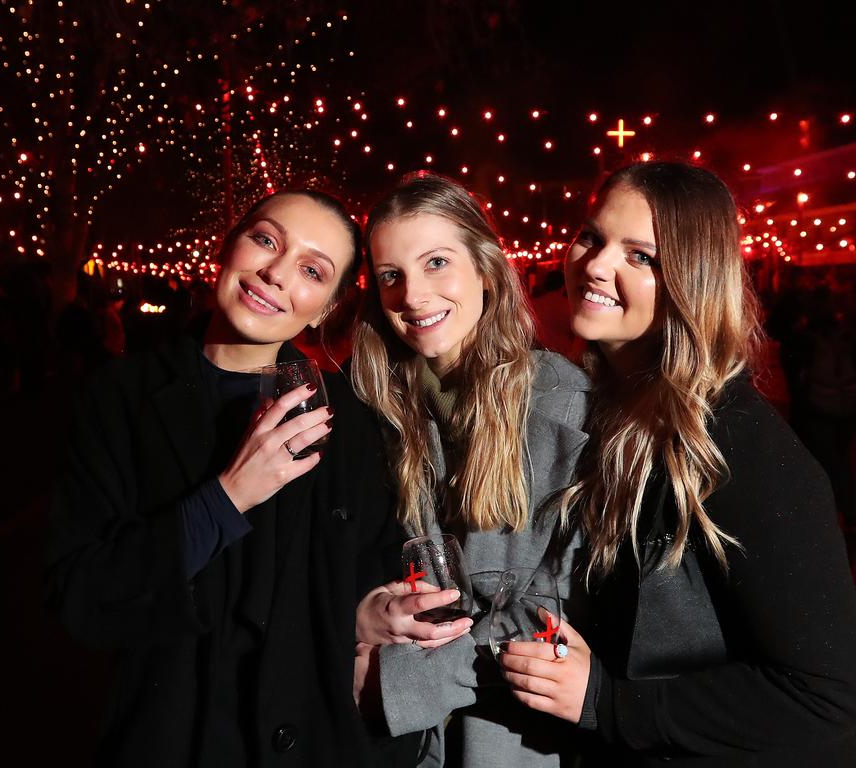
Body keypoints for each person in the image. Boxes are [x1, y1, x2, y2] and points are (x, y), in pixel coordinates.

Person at [48, 189, 420, 767]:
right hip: (171, 737)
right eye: (266, 240)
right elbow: (81, 596)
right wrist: (227, 498)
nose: (274, 273)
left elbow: (359, 580)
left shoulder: (352, 424)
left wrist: (374, 610)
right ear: (229, 247)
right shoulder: (119, 400)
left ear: (325, 306)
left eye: (311, 270)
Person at [501, 161, 856, 766]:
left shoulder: (737, 444)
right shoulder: (603, 405)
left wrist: (608, 703)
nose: (595, 265)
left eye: (641, 257)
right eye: (592, 236)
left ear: (692, 279)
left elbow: (829, 698)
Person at [350, 172, 591, 766]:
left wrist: (395, 682)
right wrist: (363, 615)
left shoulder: (558, 403)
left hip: (512, 739)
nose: (412, 294)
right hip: (411, 748)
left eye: (436, 262)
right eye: (391, 276)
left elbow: (556, 611)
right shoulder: (378, 407)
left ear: (485, 268)